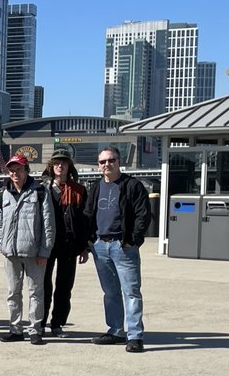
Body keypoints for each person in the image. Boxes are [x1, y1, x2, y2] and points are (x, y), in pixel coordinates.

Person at [84, 146, 150, 353]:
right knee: (110, 292)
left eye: (110, 160)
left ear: (119, 161)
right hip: (100, 246)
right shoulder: (95, 187)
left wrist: (133, 240)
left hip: (123, 246)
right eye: (103, 162)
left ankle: (135, 335)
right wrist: (88, 241)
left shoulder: (132, 185)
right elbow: (88, 214)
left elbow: (143, 215)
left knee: (131, 291)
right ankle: (115, 331)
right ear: (98, 165)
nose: (107, 165)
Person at [0, 154, 55, 346]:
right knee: (13, 292)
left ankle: (35, 330)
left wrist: (45, 251)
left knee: (36, 292)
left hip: (33, 252)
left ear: (26, 170)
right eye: (11, 170)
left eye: (18, 169)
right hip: (10, 252)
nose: (14, 173)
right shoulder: (4, 192)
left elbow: (48, 225)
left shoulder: (40, 192)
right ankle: (15, 328)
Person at [41, 148, 91, 338]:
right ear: (51, 166)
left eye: (63, 162)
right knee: (43, 285)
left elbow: (85, 220)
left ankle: (57, 324)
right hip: (47, 244)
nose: (59, 166)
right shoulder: (42, 189)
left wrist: (85, 247)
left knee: (64, 286)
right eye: (56, 163)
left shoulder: (79, 190)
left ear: (69, 166)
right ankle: (40, 322)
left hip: (69, 245)